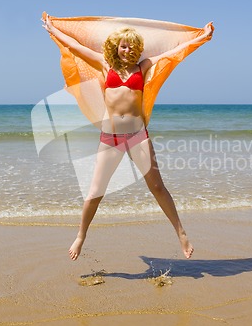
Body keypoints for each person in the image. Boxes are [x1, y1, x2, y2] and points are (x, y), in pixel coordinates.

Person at [43, 15, 214, 260]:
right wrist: (52, 29)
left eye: (131, 46)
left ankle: (181, 233)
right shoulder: (105, 64)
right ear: (116, 47)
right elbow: (76, 47)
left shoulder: (143, 67)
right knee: (95, 192)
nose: (127, 50)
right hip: (110, 138)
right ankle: (80, 235)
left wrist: (201, 37)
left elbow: (174, 51)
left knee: (156, 186)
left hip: (137, 136)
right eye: (123, 46)